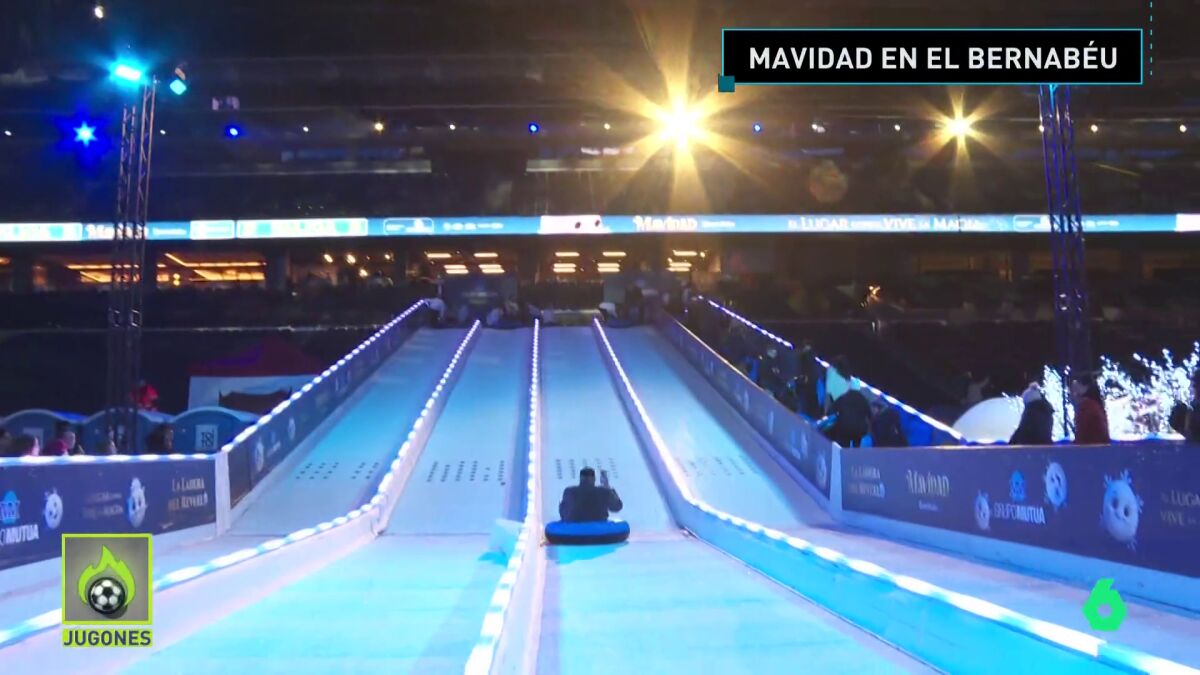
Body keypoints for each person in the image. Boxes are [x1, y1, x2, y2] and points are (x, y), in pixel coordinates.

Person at [1071, 375, 1110, 445]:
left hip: (1089, 449)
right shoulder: (1095, 405)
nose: (1073, 389)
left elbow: (1083, 434)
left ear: (1085, 387)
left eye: (1077, 384)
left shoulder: (1087, 406)